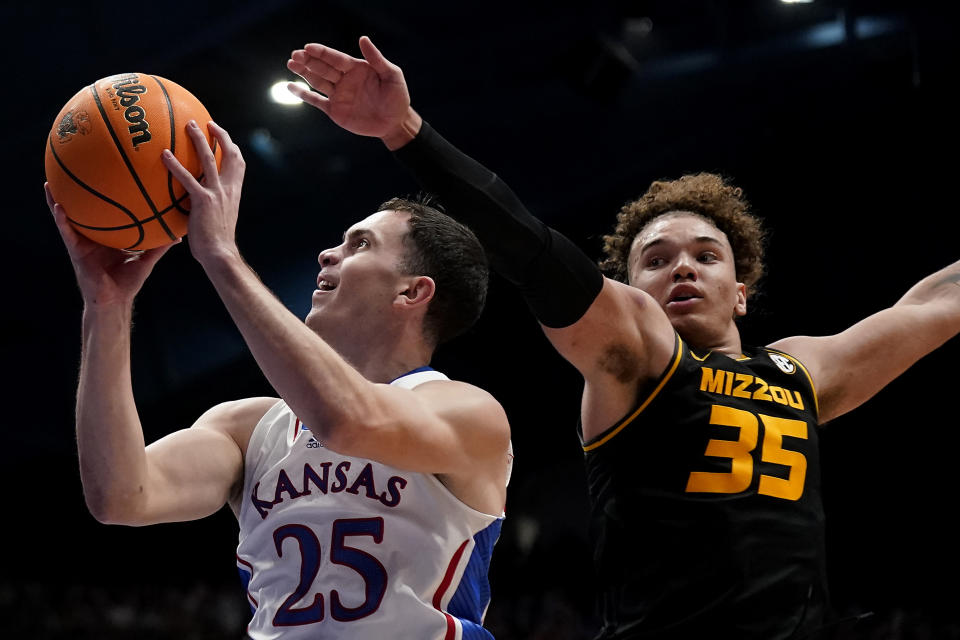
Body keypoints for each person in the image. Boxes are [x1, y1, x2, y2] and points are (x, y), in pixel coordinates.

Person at [286, 36, 960, 639]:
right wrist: (407, 132)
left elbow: (934, 303)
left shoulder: (803, 371)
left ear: (742, 290)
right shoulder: (638, 362)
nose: (684, 267)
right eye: (658, 259)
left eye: (706, 255)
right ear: (631, 290)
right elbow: (531, 246)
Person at [45, 117, 512, 639]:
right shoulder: (247, 427)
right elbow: (119, 495)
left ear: (411, 293)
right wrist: (106, 306)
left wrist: (222, 254)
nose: (328, 253)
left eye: (359, 245)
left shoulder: (468, 413)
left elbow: (347, 422)